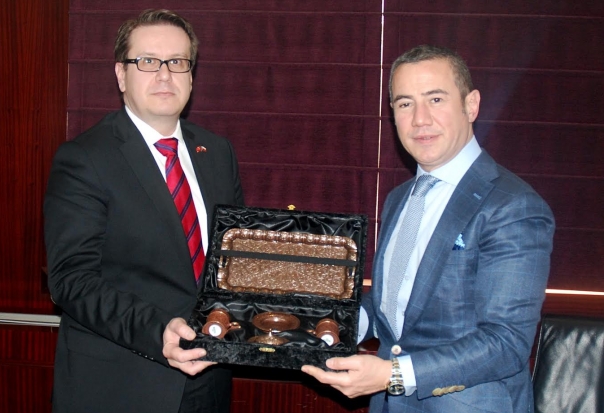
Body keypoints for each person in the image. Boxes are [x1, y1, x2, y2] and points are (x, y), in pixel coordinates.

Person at [302, 44, 555, 413]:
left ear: (471, 105)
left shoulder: (513, 206)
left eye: (435, 99)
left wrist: (393, 375)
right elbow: (396, 303)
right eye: (405, 103)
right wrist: (340, 324)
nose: (420, 119)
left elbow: (506, 343)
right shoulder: (399, 198)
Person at [44, 9, 243, 413]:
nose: (165, 75)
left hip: (210, 380)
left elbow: (235, 260)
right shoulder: (84, 158)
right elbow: (71, 281)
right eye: (148, 61)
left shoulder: (218, 153)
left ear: (191, 76)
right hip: (122, 384)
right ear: (121, 74)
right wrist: (157, 332)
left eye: (178, 62)